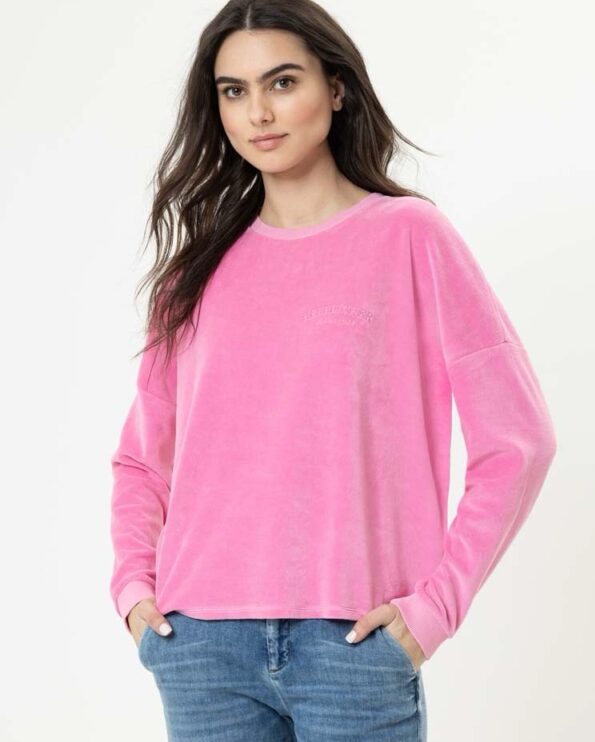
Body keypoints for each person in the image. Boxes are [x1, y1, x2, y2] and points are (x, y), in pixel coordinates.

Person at [108, 1, 557, 739]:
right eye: (234, 91)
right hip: (199, 647)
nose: (258, 112)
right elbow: (141, 459)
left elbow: (519, 442)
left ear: (337, 87)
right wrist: (133, 589)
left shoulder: (410, 238)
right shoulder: (195, 272)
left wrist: (434, 608)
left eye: (282, 82)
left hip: (351, 647)